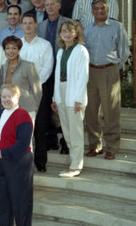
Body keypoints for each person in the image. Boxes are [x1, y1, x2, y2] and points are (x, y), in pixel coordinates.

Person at [84, 0, 129, 160]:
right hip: (91, 72)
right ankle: (95, 145)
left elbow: (124, 52)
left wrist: (114, 68)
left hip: (109, 71)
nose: (99, 11)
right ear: (92, 11)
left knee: (111, 110)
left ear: (108, 10)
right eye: (96, 8)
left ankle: (112, 146)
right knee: (91, 110)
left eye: (102, 8)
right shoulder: (87, 29)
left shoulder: (117, 27)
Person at [0, 84, 34, 226]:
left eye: (10, 96)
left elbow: (22, 144)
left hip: (18, 164)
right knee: (2, 203)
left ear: (17, 97)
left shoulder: (22, 115)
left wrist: (2, 153)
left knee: (20, 203)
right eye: (3, 96)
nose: (6, 100)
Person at [51, 20, 89, 177]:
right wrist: (55, 97)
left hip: (74, 94)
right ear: (60, 34)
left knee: (75, 132)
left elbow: (83, 76)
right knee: (66, 132)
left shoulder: (81, 51)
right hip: (61, 91)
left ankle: (76, 166)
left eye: (70, 31)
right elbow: (57, 75)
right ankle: (73, 163)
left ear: (76, 33)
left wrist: (79, 98)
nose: (67, 34)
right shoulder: (61, 51)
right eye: (64, 31)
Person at [19, 14, 54, 172]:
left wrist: (35, 84)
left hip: (39, 89)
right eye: (24, 23)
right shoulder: (17, 44)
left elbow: (47, 67)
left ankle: (41, 161)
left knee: (39, 125)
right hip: (19, 91)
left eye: (30, 23)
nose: (27, 26)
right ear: (21, 26)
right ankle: (21, 161)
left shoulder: (45, 45)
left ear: (35, 25)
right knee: (20, 126)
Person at [37, 0, 71, 153]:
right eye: (47, 5)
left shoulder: (67, 23)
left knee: (63, 104)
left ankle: (66, 141)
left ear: (59, 5)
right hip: (46, 70)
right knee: (46, 105)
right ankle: (51, 139)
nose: (49, 7)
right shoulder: (41, 25)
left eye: (52, 4)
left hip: (63, 68)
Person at [0, 36, 42, 123]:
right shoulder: (3, 68)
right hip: (9, 109)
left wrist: (34, 108)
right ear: (4, 50)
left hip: (27, 109)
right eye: (7, 48)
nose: (10, 51)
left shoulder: (29, 66)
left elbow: (37, 91)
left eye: (14, 48)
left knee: (27, 136)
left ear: (19, 50)